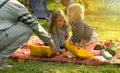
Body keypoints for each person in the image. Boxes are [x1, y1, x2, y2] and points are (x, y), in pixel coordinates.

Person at [0, 0, 57, 70]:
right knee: (28, 28)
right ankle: (1, 58)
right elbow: (34, 25)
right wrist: (51, 43)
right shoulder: (16, 6)